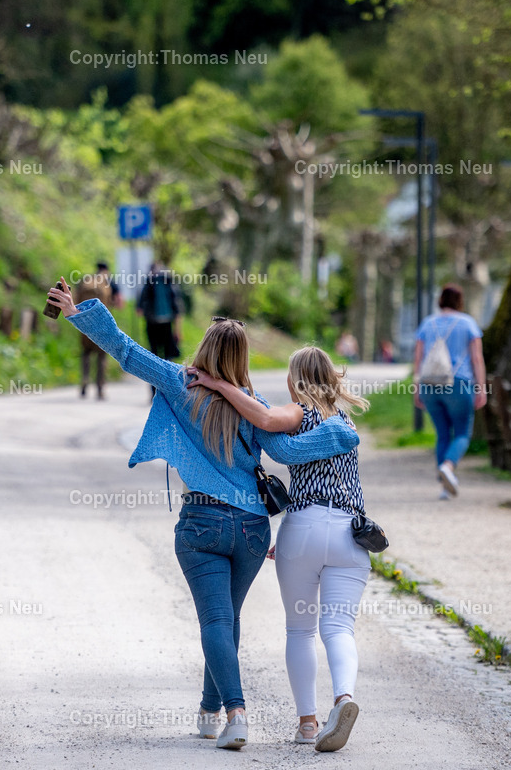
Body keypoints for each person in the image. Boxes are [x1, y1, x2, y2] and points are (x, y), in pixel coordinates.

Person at [47, 281, 359, 751]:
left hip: (202, 524)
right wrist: (339, 435)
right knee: (227, 619)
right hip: (253, 530)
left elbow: (128, 352)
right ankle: (209, 711)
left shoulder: (180, 381)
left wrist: (77, 312)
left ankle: (236, 714)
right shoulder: (252, 406)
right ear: (243, 359)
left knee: (215, 621)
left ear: (206, 350)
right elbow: (284, 448)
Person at [187, 348, 371, 752]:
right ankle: (343, 698)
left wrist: (218, 383)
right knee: (339, 628)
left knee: (300, 629)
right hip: (349, 533)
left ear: (295, 381)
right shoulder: (343, 423)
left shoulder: (299, 413)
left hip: (303, 529)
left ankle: (308, 723)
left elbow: (266, 421)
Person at [413, 284, 488, 498]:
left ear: (440, 300)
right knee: (463, 432)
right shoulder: (468, 323)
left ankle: (444, 488)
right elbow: (476, 358)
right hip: (459, 383)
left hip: (429, 384)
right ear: (460, 301)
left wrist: (417, 388)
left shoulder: (427, 323)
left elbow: (418, 358)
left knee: (443, 434)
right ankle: (448, 466)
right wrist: (481, 388)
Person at [74, 264, 116, 399]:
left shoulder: (85, 282)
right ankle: (100, 387)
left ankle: (85, 380)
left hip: (84, 323)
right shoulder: (106, 286)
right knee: (101, 356)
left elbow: (75, 302)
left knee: (86, 353)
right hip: (101, 325)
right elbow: (110, 306)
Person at [137, 263, 183, 362]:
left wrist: (140, 307)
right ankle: (169, 371)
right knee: (167, 350)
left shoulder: (149, 281)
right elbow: (176, 304)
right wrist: (178, 328)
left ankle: (155, 371)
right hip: (167, 320)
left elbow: (142, 299)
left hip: (152, 320)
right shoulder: (168, 282)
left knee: (154, 349)